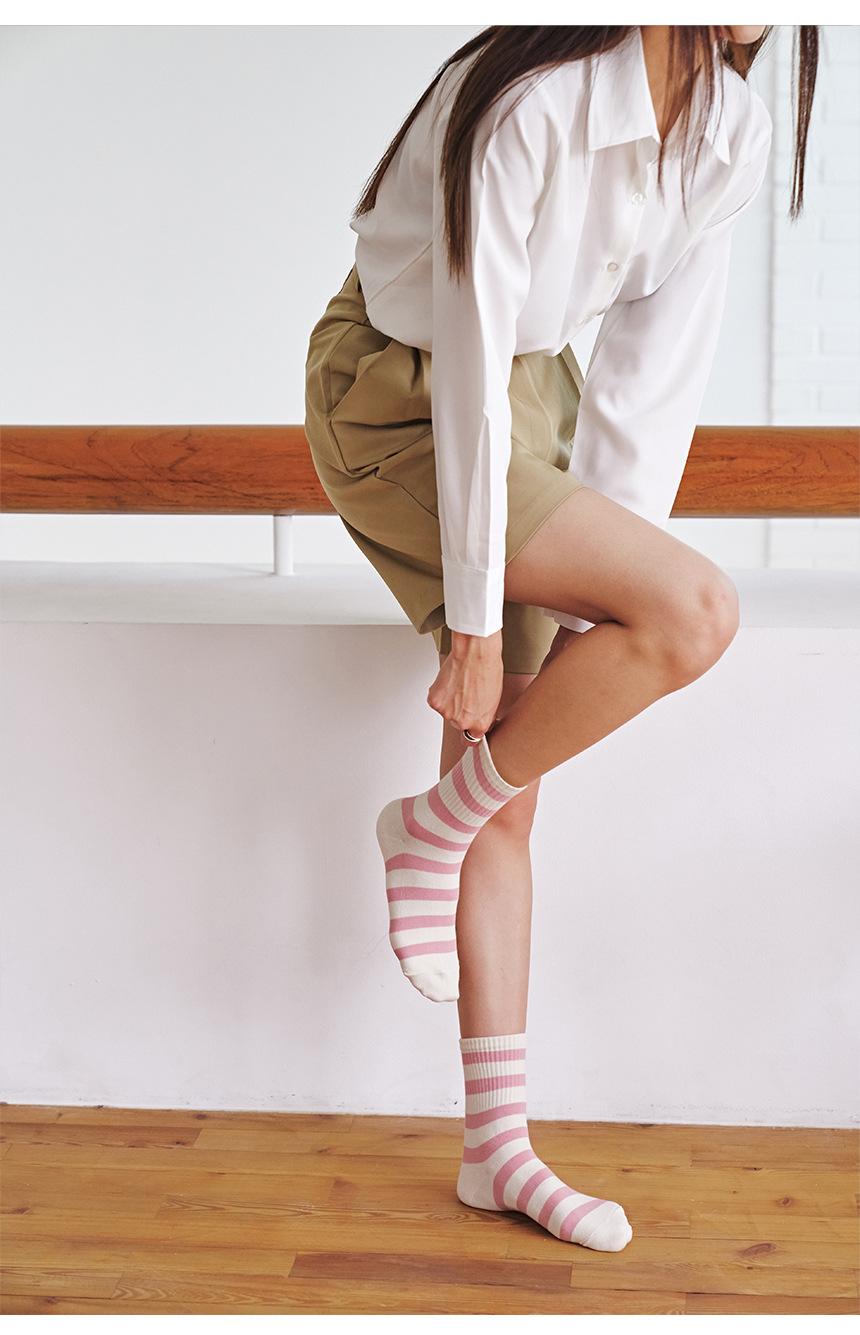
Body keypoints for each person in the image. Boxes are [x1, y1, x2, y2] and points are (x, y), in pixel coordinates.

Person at [304, 25, 817, 1249]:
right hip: (402, 391)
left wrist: (601, 588)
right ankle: (430, 830)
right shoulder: (528, 98)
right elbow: (469, 349)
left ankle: (495, 1151)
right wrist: (477, 625)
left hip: (534, 397)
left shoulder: (730, 128)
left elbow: (650, 377)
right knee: (697, 610)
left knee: (510, 790)